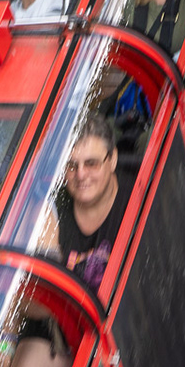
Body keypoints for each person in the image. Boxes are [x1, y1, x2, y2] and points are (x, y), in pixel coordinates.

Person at [44, 115, 133, 287]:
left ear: (112, 159)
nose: (81, 175)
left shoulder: (138, 201)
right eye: (71, 165)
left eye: (92, 164)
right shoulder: (51, 208)